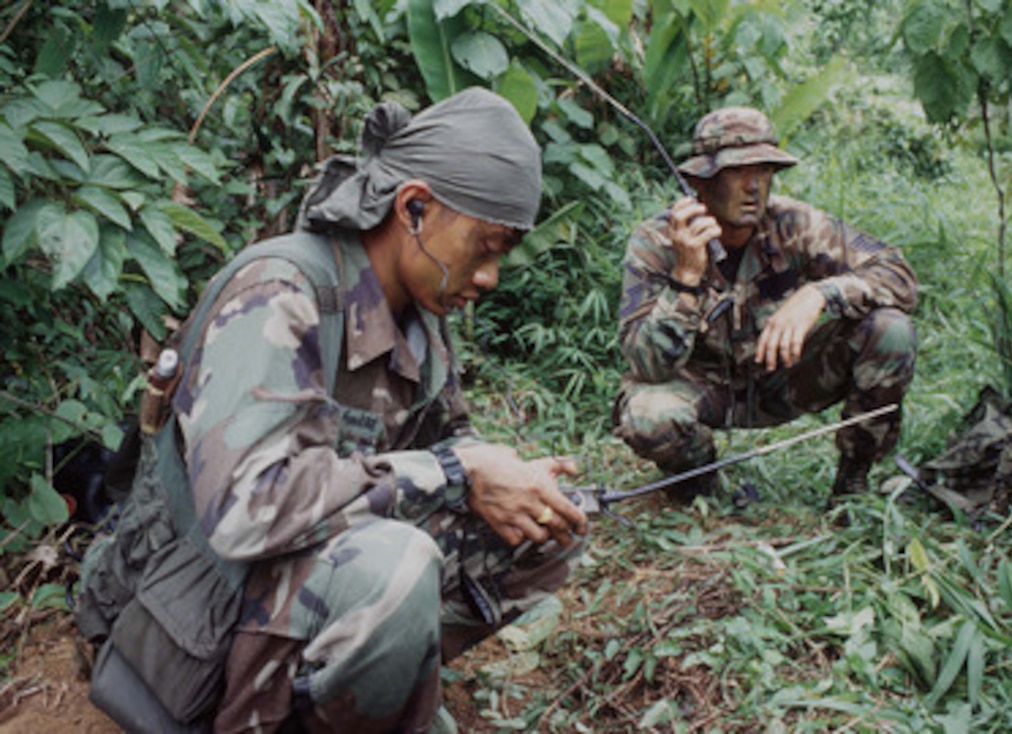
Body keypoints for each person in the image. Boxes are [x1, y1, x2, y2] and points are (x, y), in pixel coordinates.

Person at [78, 87, 588, 733]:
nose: (489, 277)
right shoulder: (280, 292)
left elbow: (447, 434)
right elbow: (244, 512)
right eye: (486, 247)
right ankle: (272, 709)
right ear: (414, 208)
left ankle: (362, 691)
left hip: (297, 567)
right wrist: (453, 471)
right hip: (193, 602)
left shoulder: (420, 318)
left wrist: (499, 476)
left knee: (547, 527)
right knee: (392, 566)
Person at [612, 106, 918, 506]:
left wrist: (820, 294)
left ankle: (851, 489)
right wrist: (685, 279)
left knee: (890, 330)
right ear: (697, 182)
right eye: (738, 172)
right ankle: (698, 490)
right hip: (702, 388)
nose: (754, 185)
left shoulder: (795, 223)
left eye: (765, 170)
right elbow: (647, 365)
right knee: (648, 415)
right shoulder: (655, 242)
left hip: (782, 377)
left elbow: (900, 276)